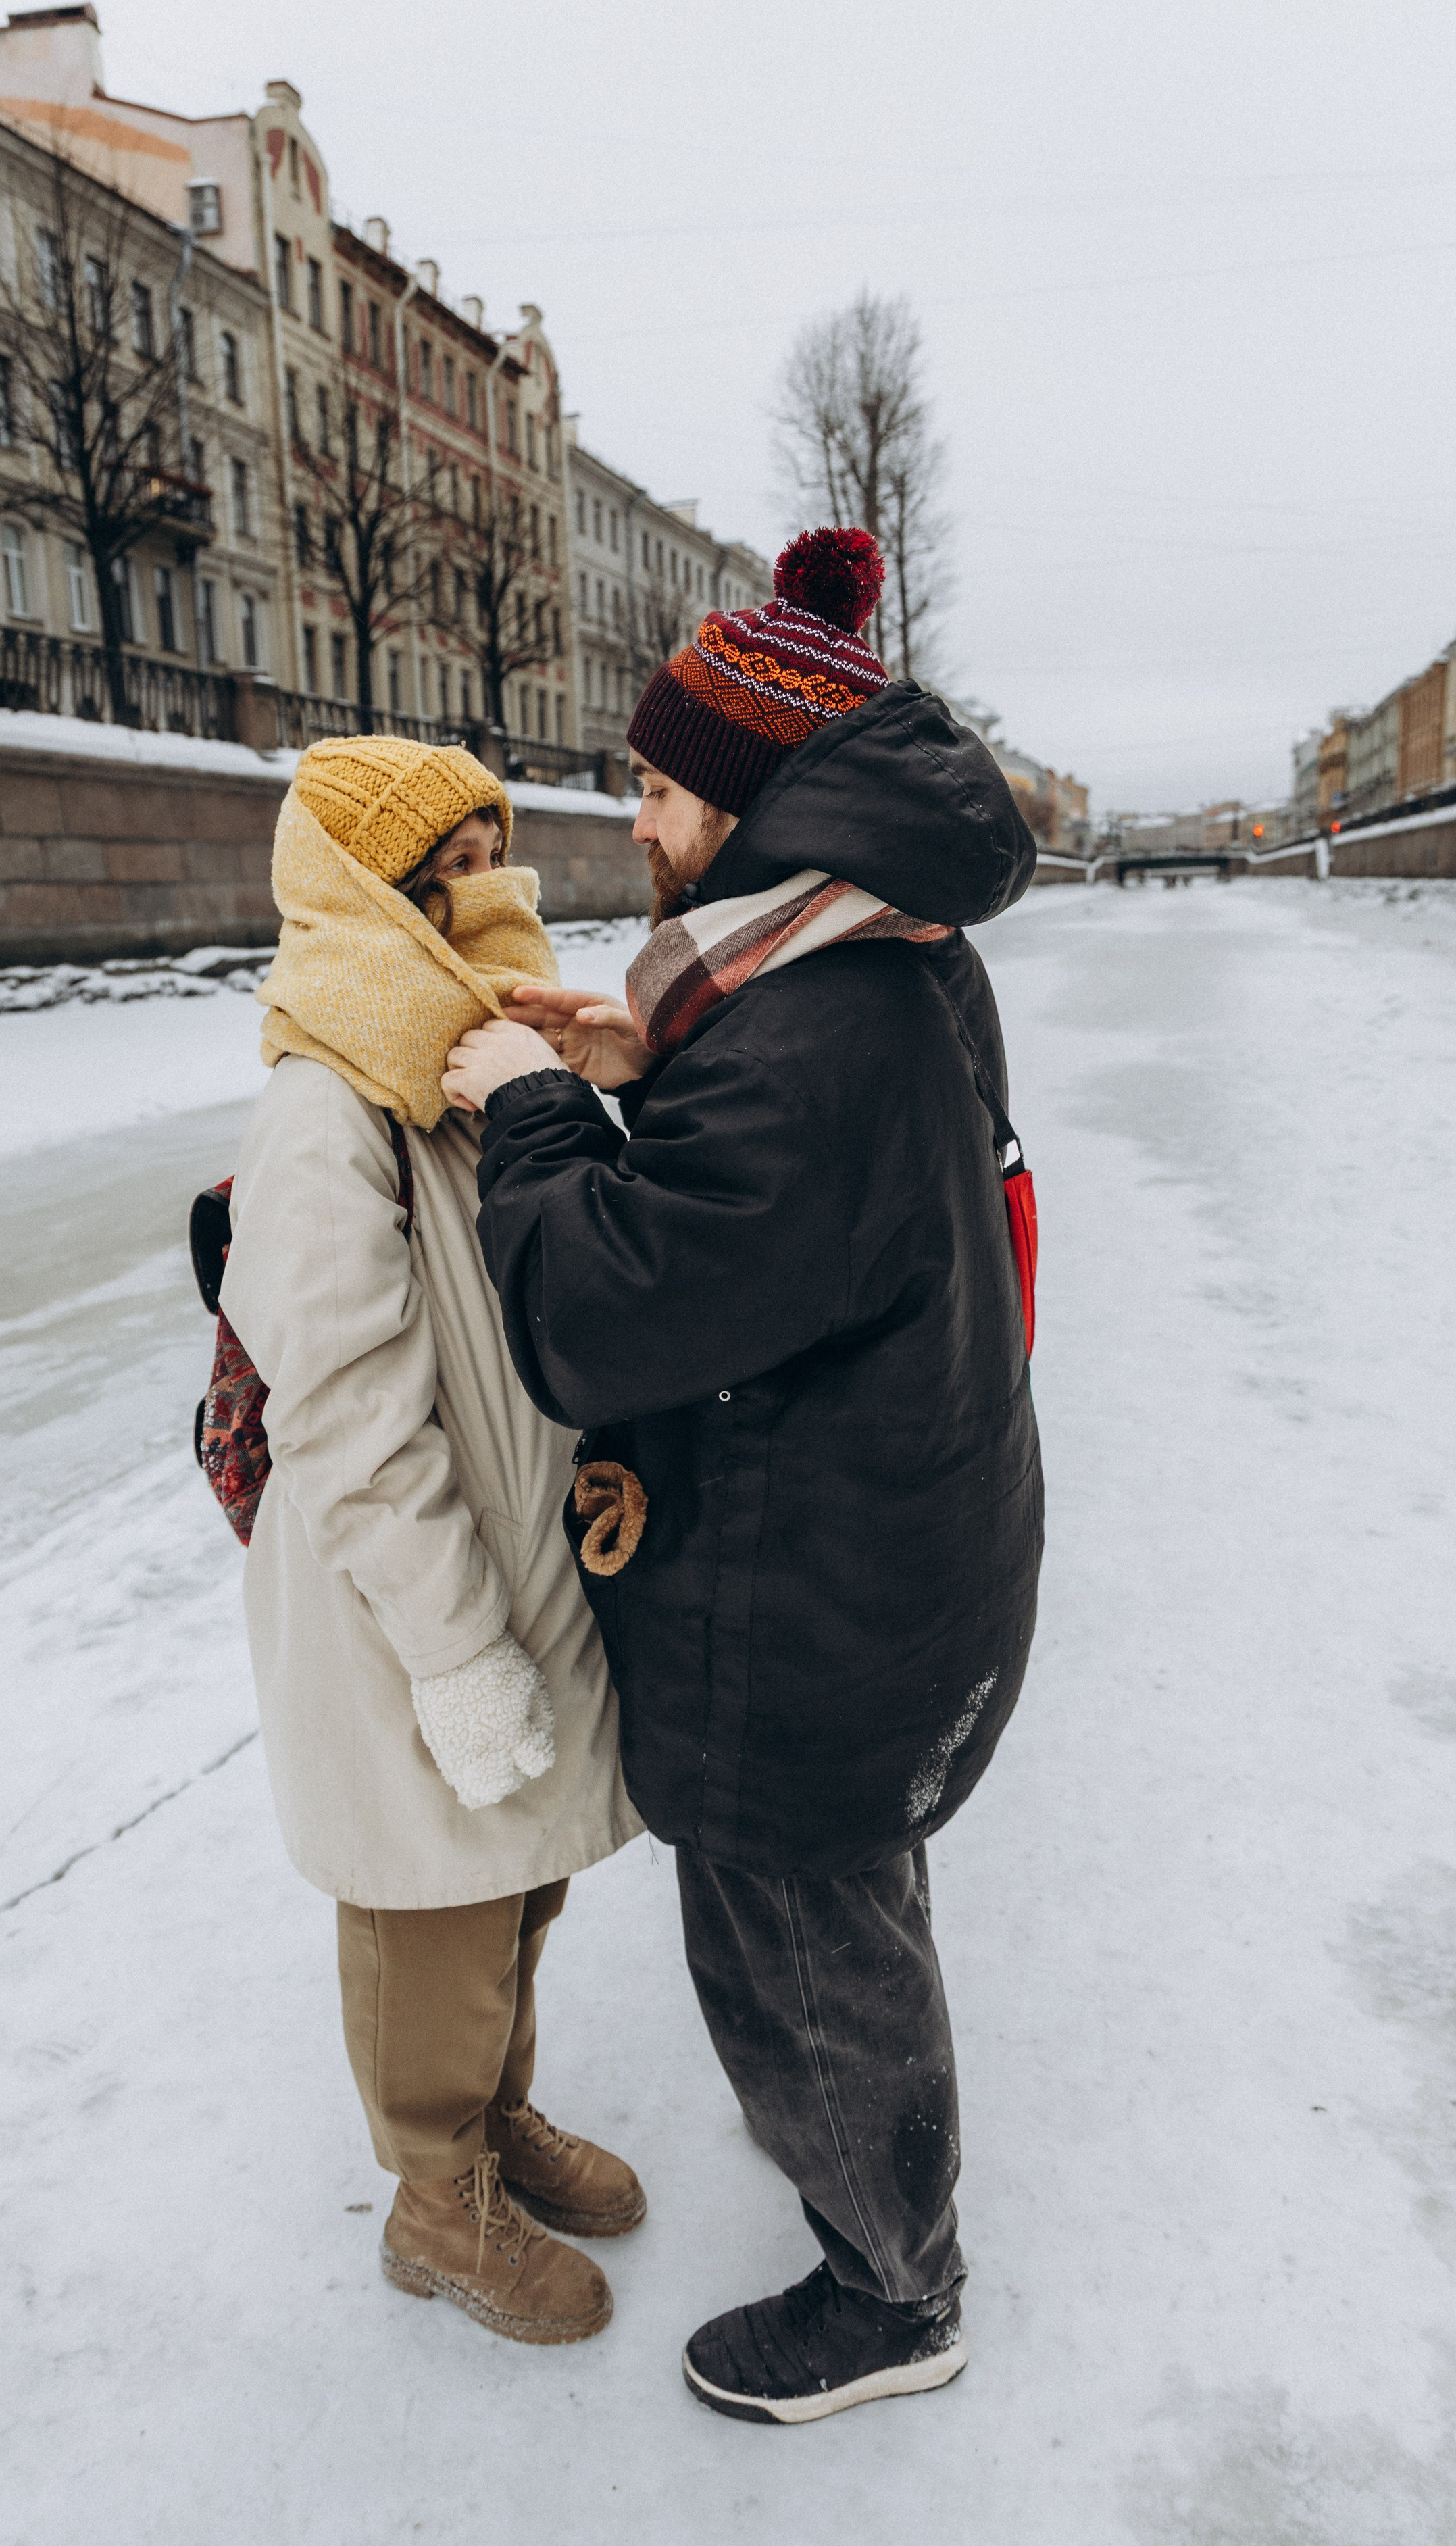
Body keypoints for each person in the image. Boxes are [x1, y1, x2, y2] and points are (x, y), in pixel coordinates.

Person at [441, 529, 1044, 2422]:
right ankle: (894, 2189)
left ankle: (890, 2293)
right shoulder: (873, 950)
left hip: (811, 1605)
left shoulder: (807, 1029)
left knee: (797, 1942)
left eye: (651, 785)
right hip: (900, 1553)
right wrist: (640, 1059)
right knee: (856, 1904)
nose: (630, 820)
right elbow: (792, 1212)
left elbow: (615, 1316)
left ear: (749, 795)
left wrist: (527, 1112)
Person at [218, 735, 645, 2351]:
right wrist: (457, 1649)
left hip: (518, 1559)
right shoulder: (331, 1096)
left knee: (515, 1893)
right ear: (370, 886)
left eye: (491, 851)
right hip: (407, 1603)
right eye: (451, 865)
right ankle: (430, 2195)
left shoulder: (457, 1056)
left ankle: (493, 2121)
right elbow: (346, 1410)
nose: (488, 890)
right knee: (429, 1913)